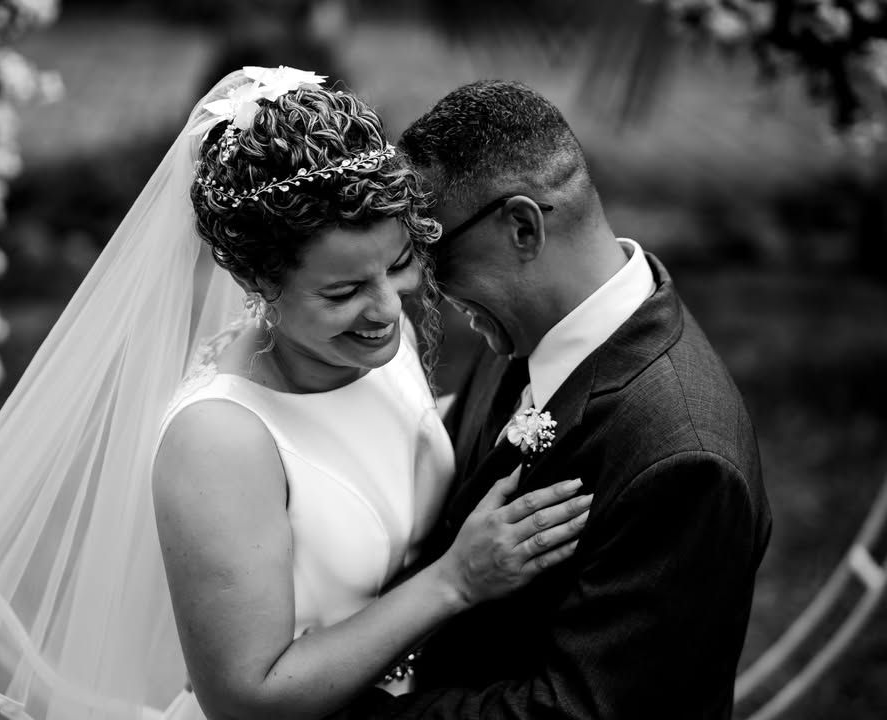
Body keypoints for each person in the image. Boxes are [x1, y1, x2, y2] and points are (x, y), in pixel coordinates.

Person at [0, 69, 589, 720]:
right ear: (258, 286)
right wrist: (454, 582)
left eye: (398, 264)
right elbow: (247, 698)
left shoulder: (370, 343)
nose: (389, 309)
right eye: (346, 289)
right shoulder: (221, 441)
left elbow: (374, 469)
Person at [326, 80, 774, 720]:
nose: (422, 283)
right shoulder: (527, 328)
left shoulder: (685, 458)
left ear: (521, 227)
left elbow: (583, 710)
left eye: (434, 249)